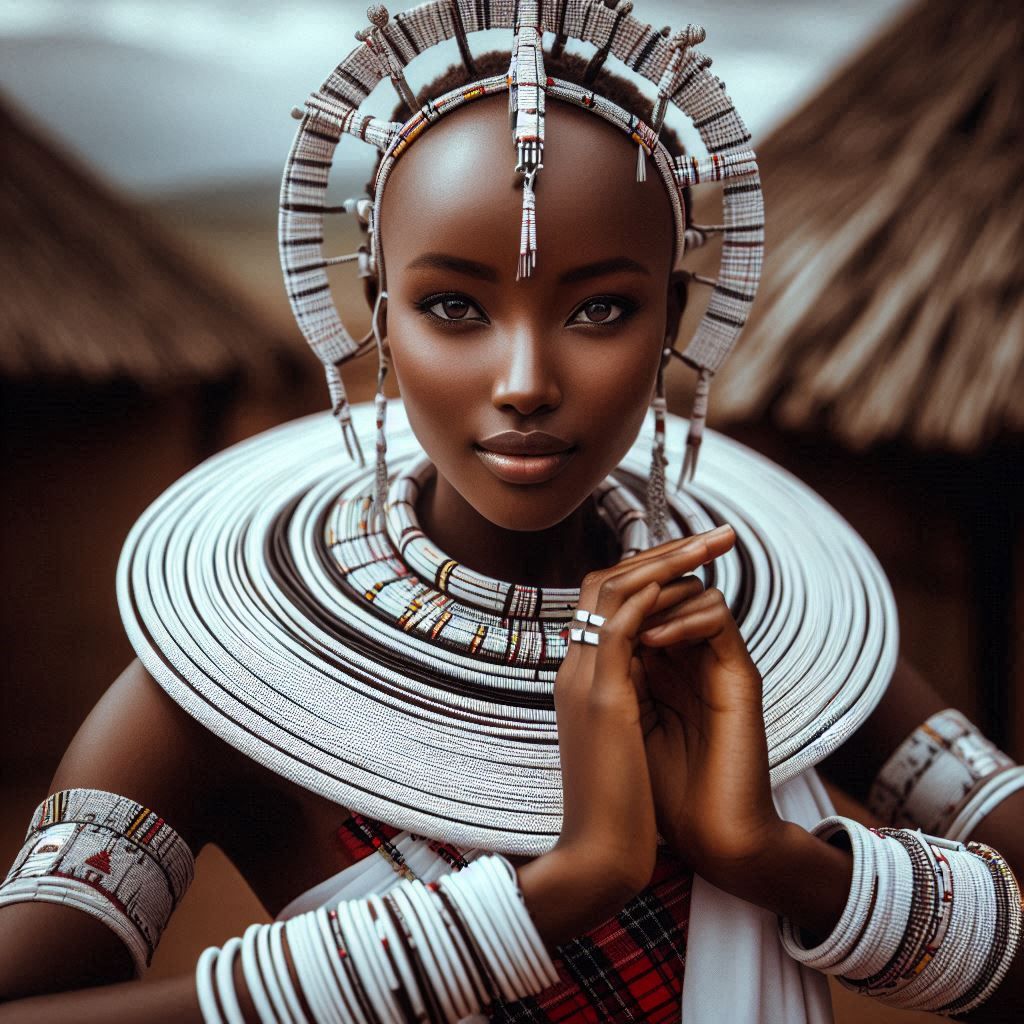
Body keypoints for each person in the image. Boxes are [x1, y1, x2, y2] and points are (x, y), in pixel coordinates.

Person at [0, 4, 1021, 1022]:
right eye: (453, 306)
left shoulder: (774, 634)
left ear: (674, 317)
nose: (526, 381)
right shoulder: (226, 676)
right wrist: (547, 899)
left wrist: (774, 856)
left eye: (599, 310)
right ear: (378, 309)